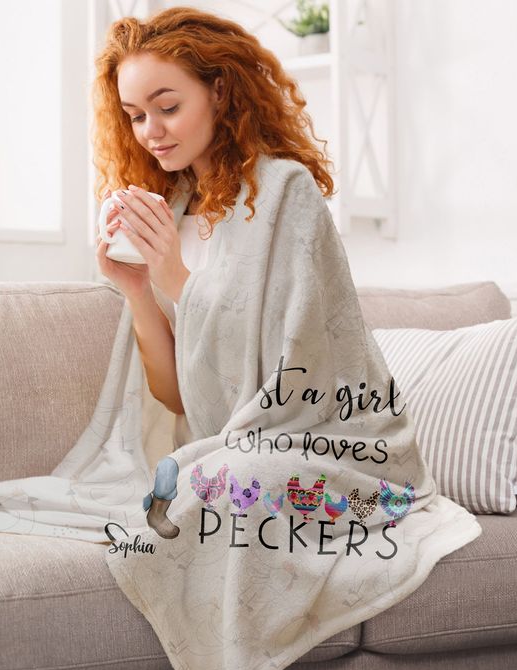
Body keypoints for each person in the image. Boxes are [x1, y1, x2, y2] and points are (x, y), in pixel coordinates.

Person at [91, 6, 335, 538]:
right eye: (134, 115)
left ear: (220, 92)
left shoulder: (284, 192)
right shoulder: (171, 207)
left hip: (301, 444)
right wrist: (137, 288)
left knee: (236, 485)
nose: (150, 132)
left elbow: (293, 376)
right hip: (208, 447)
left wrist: (176, 278)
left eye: (168, 107)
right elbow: (179, 398)